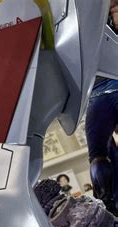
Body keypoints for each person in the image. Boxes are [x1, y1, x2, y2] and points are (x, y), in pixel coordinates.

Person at [84, 1, 118, 215]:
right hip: (96, 91)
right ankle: (110, 207)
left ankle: (110, 206)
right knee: (98, 156)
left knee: (98, 156)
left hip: (108, 85)